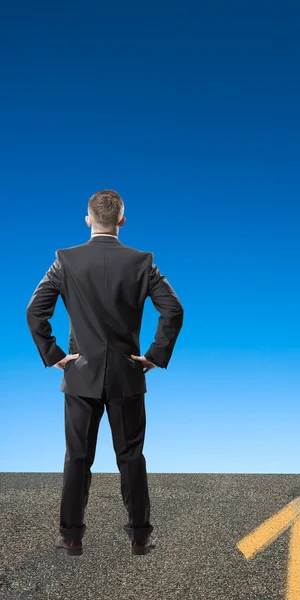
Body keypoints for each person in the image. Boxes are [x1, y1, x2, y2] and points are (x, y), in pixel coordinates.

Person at [25, 189, 184, 556]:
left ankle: (71, 536)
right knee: (131, 457)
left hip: (80, 375)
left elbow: (36, 312)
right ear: (122, 221)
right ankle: (141, 537)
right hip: (128, 375)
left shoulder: (65, 260)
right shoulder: (143, 262)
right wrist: (154, 356)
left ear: (88, 219)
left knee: (77, 457)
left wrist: (55, 355)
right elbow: (173, 310)